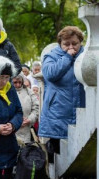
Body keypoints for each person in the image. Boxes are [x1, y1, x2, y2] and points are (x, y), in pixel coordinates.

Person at [38, 26, 85, 159]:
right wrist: (67, 57)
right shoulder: (51, 56)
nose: (71, 47)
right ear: (60, 44)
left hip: (81, 110)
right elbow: (50, 74)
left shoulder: (86, 56)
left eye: (74, 44)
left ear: (80, 42)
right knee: (58, 156)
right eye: (66, 44)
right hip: (57, 113)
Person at [12, 74, 39, 144]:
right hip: (12, 129)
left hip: (26, 129)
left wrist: (29, 119)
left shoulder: (29, 91)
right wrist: (15, 122)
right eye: (15, 82)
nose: (18, 85)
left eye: (19, 82)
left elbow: (36, 107)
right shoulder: (6, 91)